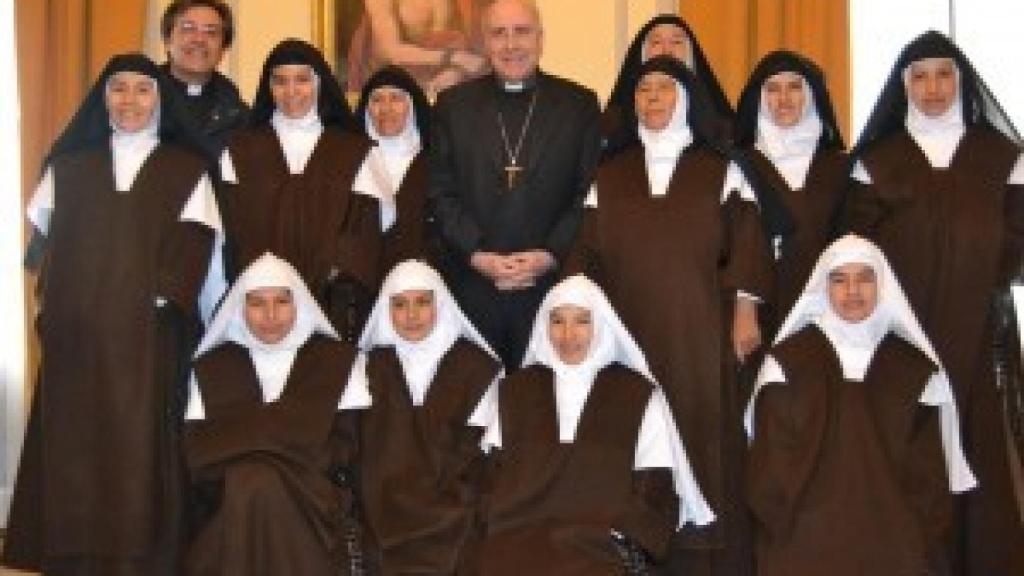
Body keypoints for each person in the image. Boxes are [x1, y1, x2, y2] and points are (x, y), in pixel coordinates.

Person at [3, 53, 221, 575]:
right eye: (118, 89)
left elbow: (195, 248)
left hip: (148, 338)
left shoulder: (186, 170)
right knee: (75, 446)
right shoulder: (67, 169)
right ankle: (74, 555)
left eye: (142, 90)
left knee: (140, 446)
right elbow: (44, 252)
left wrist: (156, 300)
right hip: (77, 335)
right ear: (103, 99)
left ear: (160, 100)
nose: (129, 101)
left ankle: (141, 557)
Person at [567, 56, 773, 576]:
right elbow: (584, 257)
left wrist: (745, 311)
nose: (653, 98)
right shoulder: (609, 175)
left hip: (699, 334)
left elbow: (747, 242)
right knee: (633, 442)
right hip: (627, 335)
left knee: (703, 443)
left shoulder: (719, 169)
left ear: (686, 100)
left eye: (664, 88)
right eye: (643, 90)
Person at [844, 30, 1024, 575]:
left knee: (987, 454)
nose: (933, 88)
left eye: (944, 75)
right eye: (920, 77)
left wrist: (975, 267)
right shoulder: (878, 161)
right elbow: (857, 247)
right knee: (912, 453)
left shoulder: (1001, 157)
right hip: (904, 335)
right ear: (905, 87)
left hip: (982, 332)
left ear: (961, 82)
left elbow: (1018, 237)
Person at [745, 234, 976, 575]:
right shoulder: (788, 362)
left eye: (864, 278)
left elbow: (929, 481)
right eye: (840, 280)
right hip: (802, 547)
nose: (852, 291)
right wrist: (791, 533)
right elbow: (770, 467)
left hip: (896, 549)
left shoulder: (913, 368)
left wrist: (912, 536)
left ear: (882, 285)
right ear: (824, 288)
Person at [478, 274, 714, 575]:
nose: (568, 335)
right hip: (520, 536)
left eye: (581, 321)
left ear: (601, 325)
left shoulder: (635, 393)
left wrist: (623, 534)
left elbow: (655, 481)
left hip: (603, 542)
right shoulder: (517, 390)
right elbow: (494, 472)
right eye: (558, 321)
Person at [430, 0, 601, 368]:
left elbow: (588, 193)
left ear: (540, 39)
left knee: (539, 396)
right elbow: (441, 193)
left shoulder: (578, 106)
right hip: (473, 288)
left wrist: (549, 254)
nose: (511, 45)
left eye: (521, 32)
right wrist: (477, 254)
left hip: (552, 291)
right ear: (485, 42)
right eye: (499, 33)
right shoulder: (453, 106)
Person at [183, 253, 370, 576]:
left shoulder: (336, 362)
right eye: (257, 303)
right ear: (241, 308)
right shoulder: (214, 367)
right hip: (231, 509)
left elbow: (346, 449)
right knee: (253, 485)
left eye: (281, 302)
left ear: (299, 305)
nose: (270, 315)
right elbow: (200, 456)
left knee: (255, 482)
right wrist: (289, 447)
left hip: (314, 506)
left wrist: (253, 448)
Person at [218, 39, 382, 341]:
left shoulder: (353, 150)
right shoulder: (241, 150)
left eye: (301, 80)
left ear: (319, 84)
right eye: (280, 81)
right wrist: (265, 283)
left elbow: (364, 227)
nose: (290, 91)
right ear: (269, 87)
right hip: (262, 302)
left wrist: (332, 274)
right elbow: (233, 227)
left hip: (332, 300)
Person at [356, 259, 502, 574]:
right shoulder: (366, 368)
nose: (411, 315)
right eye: (400, 304)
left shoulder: (477, 367)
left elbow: (483, 458)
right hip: (381, 511)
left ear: (441, 305)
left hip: (454, 512)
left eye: (422, 302)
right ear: (386, 310)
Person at [731, 50, 848, 332]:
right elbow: (736, 244)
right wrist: (745, 310)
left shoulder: (840, 166)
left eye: (794, 87)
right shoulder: (741, 165)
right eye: (773, 89)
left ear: (810, 95)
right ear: (760, 99)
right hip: (762, 312)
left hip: (832, 307)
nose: (783, 99)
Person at [354, 65, 441, 271]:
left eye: (395, 98)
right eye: (377, 100)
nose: (386, 108)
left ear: (411, 106)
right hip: (359, 278)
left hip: (420, 276)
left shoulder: (435, 162)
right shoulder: (350, 161)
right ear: (367, 109)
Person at [603, 14, 732, 148]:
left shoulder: (719, 121)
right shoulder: (614, 122)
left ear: (690, 53)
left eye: (676, 42)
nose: (667, 51)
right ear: (642, 52)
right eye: (656, 42)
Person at [347, 0, 489, 97]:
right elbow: (391, 52)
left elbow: (464, 44)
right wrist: (453, 58)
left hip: (444, 80)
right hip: (396, 81)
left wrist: (455, 72)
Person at [160, 0, 248, 156]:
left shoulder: (239, 116)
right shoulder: (138, 104)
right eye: (188, 29)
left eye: (211, 32)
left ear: (223, 49)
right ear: (167, 41)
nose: (199, 39)